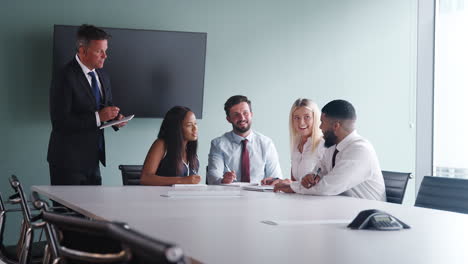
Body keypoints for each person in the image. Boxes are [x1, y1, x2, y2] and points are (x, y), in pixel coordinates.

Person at [47, 24, 127, 186]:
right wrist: (98, 117)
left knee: (92, 209)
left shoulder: (103, 75)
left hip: (93, 159)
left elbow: (106, 107)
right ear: (82, 51)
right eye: (99, 51)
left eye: (106, 50)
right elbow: (60, 123)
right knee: (67, 212)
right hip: (67, 162)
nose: (105, 56)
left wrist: (116, 119)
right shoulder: (64, 77)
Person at [274, 99, 386, 201]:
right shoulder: (332, 147)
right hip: (343, 210)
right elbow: (318, 172)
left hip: (370, 216)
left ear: (336, 126)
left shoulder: (360, 150)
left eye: (322, 122)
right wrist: (310, 178)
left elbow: (327, 187)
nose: (319, 127)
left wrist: (293, 187)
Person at [207, 95, 283, 185]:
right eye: (236, 115)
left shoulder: (266, 144)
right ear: (228, 119)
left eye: (245, 113)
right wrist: (223, 180)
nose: (242, 118)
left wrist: (273, 181)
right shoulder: (218, 144)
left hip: (260, 197)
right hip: (229, 196)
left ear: (251, 114)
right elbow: (213, 178)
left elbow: (276, 178)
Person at [140, 106, 201, 185]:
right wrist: (182, 180)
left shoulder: (190, 151)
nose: (195, 128)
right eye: (189, 125)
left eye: (195, 124)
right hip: (160, 196)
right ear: (176, 128)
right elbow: (145, 178)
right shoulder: (162, 144)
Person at [287, 98, 325, 183]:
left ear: (315, 118)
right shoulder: (296, 144)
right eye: (297, 118)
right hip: (300, 196)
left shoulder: (323, 144)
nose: (301, 123)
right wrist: (279, 181)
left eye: (307, 117)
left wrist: (291, 184)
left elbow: (325, 183)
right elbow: (294, 181)